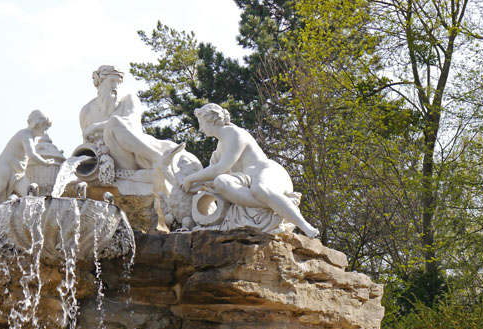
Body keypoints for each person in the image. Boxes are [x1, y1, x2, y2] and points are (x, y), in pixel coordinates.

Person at [180, 103, 320, 239]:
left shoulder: (235, 134)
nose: (200, 128)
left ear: (210, 120)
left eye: (201, 122)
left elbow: (219, 168)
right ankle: (276, 204)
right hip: (247, 179)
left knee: (260, 189)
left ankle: (305, 225)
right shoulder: (220, 146)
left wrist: (190, 179)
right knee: (221, 182)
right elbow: (215, 173)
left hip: (266, 171)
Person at [79, 65, 190, 172]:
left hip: (129, 156)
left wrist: (95, 127)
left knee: (114, 122)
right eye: (112, 81)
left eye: (119, 83)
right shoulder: (87, 111)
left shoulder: (129, 100)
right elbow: (86, 145)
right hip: (104, 161)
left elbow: (131, 124)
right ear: (99, 83)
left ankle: (157, 157)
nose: (116, 87)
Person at [0, 110, 53, 223]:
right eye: (45, 129)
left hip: (18, 172)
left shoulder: (31, 137)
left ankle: (27, 221)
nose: (45, 133)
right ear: (38, 124)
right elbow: (31, 154)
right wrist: (45, 163)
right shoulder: (26, 136)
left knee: (29, 193)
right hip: (5, 166)